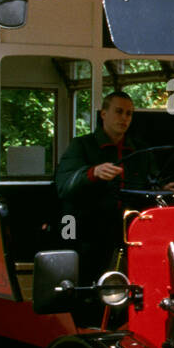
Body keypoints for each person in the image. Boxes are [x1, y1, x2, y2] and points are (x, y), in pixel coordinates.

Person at [55, 91, 138, 282]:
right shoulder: (81, 146)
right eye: (118, 112)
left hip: (129, 233)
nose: (124, 118)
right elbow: (65, 187)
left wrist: (166, 187)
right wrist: (92, 173)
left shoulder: (139, 150)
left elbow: (149, 183)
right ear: (103, 114)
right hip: (89, 232)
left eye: (129, 114)